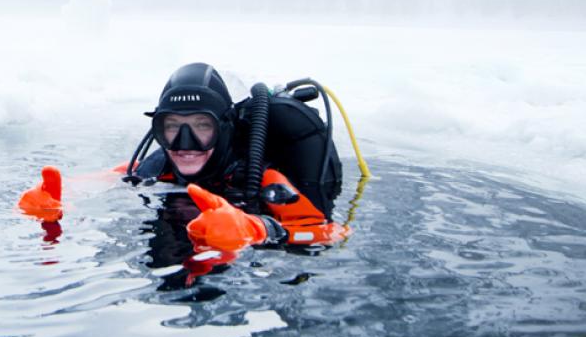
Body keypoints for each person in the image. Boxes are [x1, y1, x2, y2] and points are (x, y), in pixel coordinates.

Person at [19, 62, 347, 260]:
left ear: (223, 129)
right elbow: (109, 177)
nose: (185, 146)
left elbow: (330, 233)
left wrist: (259, 229)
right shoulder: (159, 165)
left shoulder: (262, 178)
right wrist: (53, 198)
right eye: (173, 127)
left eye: (202, 127)